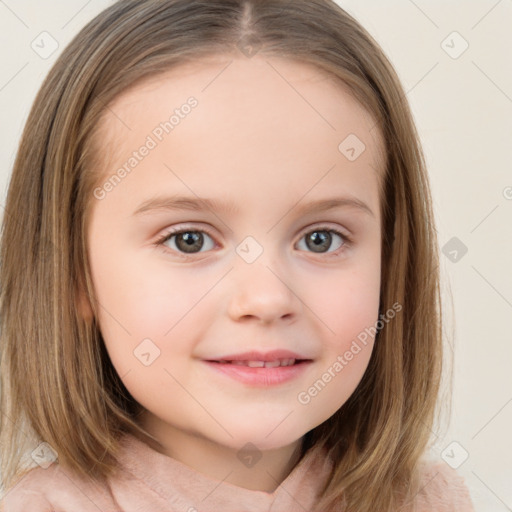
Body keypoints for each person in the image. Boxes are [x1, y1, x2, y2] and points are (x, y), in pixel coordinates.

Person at [0, 1, 475, 510]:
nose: (267, 299)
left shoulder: (425, 501)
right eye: (190, 240)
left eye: (321, 238)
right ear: (75, 275)